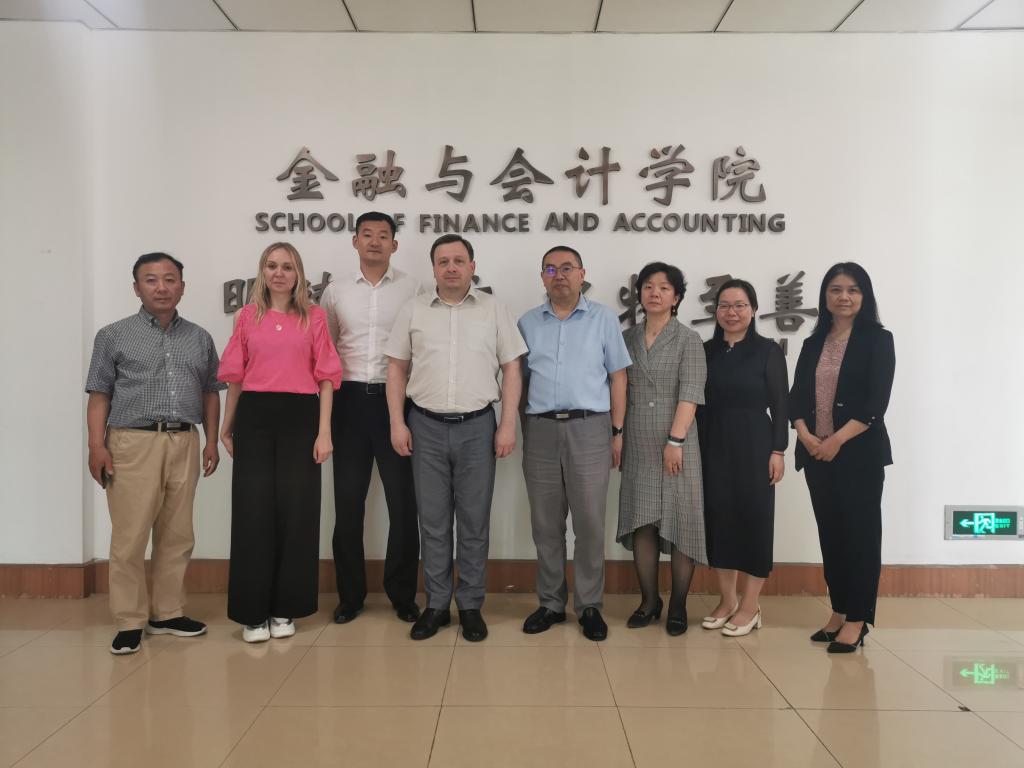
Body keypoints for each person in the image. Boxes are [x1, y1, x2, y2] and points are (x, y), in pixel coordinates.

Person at [385, 234, 526, 642]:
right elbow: (396, 368)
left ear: (472, 266)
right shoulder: (413, 310)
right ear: (433, 268)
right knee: (432, 522)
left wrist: (507, 424)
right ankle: (436, 605)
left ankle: (470, 605)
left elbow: (512, 369)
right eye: (443, 261)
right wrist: (397, 423)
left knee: (474, 522)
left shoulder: (494, 309)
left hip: (478, 427)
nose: (451, 267)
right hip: (424, 426)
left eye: (458, 260)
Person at [85, 252, 223, 655]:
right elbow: (99, 395)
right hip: (132, 442)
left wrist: (211, 441)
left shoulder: (199, 338)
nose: (162, 287)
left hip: (184, 440)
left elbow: (210, 393)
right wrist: (96, 446)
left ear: (182, 286)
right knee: (130, 535)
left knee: (178, 533)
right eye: (151, 280)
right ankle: (130, 620)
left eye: (169, 279)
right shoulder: (113, 335)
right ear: (136, 288)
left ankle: (167, 613)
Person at [218, 242, 342, 643]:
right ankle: (252, 613)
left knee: (297, 512)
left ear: (298, 274)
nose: (279, 273)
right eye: (271, 266)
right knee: (253, 512)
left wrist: (324, 432)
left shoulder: (314, 318)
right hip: (254, 416)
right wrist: (226, 426)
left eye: (287, 267)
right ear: (262, 272)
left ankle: (285, 608)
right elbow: (236, 377)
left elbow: (327, 378)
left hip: (301, 417)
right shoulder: (246, 317)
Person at [518, 246, 631, 641]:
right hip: (541, 430)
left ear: (582, 274)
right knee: (545, 524)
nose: (559, 275)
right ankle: (551, 603)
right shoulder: (527, 323)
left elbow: (618, 377)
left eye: (567, 268)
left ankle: (589, 606)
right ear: (542, 277)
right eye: (551, 269)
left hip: (590, 428)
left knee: (589, 523)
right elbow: (519, 381)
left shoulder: (603, 319)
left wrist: (617, 431)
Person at [320, 212, 421, 625]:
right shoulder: (335, 291)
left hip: (398, 404)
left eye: (383, 235)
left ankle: (402, 594)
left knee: (403, 504)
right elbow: (326, 351)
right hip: (348, 403)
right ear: (355, 241)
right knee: (348, 504)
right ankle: (350, 596)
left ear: (395, 244)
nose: (375, 241)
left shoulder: (414, 289)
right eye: (367, 234)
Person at [789, 262, 895, 653]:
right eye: (835, 289)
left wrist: (836, 440)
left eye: (853, 290)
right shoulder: (813, 342)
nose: (844, 297)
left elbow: (875, 403)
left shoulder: (878, 340)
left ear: (864, 296)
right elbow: (796, 396)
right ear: (825, 296)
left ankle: (858, 619)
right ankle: (839, 609)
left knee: (860, 536)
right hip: (816, 453)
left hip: (859, 455)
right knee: (831, 535)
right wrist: (806, 435)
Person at [617, 262, 707, 636]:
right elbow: (618, 388)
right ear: (639, 294)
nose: (655, 293)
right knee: (642, 520)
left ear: (677, 297)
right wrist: (616, 433)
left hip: (678, 443)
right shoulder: (626, 338)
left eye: (664, 288)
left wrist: (676, 440)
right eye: (649, 286)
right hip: (638, 438)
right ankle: (649, 602)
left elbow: (691, 393)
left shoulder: (689, 339)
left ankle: (679, 605)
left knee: (682, 522)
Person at [698, 279, 788, 637]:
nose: (731, 312)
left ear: (753, 310)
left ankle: (751, 606)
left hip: (755, 445)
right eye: (724, 305)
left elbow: (781, 405)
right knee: (719, 521)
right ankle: (727, 600)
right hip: (712, 443)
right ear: (715, 311)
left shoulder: (768, 351)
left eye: (739, 305)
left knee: (754, 522)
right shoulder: (705, 351)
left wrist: (778, 450)